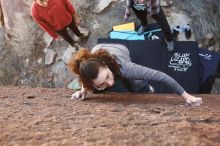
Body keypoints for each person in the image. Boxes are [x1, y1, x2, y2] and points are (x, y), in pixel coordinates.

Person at [68, 43, 202, 106]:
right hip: (99, 47)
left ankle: (147, 89)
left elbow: (161, 76)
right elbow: (86, 80)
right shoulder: (87, 69)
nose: (111, 84)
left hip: (122, 49)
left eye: (108, 76)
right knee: (104, 86)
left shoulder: (126, 68)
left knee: (133, 85)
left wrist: (187, 96)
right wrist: (83, 91)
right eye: (102, 84)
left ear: (106, 64)